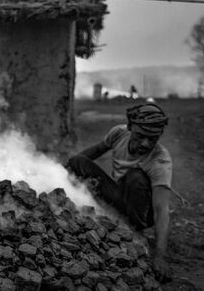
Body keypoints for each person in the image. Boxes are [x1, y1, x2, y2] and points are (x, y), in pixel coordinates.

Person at [66, 103, 185, 280]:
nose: (146, 143)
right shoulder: (118, 133)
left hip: (143, 211)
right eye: (140, 136)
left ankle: (135, 232)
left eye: (153, 139)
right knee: (78, 161)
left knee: (135, 177)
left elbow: (161, 211)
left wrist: (160, 256)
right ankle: (110, 219)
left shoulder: (160, 161)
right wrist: (61, 169)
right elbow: (94, 152)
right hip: (120, 196)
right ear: (130, 127)